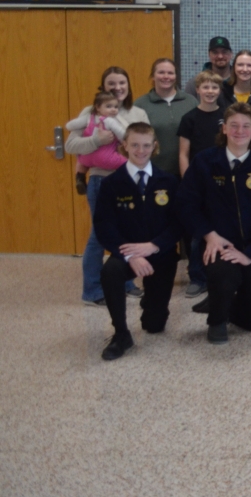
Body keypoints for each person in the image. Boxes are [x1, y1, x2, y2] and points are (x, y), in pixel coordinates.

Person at [177, 103, 251, 345]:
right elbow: (186, 204)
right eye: (233, 125)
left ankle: (223, 299)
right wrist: (209, 235)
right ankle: (217, 319)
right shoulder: (205, 161)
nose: (240, 131)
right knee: (223, 275)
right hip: (220, 244)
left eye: (246, 126)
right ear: (224, 128)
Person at [94, 123, 181, 361]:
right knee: (110, 271)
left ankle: (151, 302)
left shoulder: (168, 182)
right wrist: (132, 255)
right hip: (128, 251)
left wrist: (154, 246)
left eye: (146, 145)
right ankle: (121, 334)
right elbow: (104, 226)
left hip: (160, 252)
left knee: (154, 325)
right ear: (125, 146)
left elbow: (179, 224)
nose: (140, 150)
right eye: (134, 145)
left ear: (154, 147)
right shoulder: (112, 184)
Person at [66, 66, 150, 307]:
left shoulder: (138, 112)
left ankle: (126, 282)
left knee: (129, 233)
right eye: (111, 84)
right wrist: (96, 140)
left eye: (122, 83)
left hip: (131, 181)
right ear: (103, 88)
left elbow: (145, 145)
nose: (117, 88)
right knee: (98, 235)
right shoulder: (91, 112)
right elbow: (71, 145)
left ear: (128, 85)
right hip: (102, 180)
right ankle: (92, 290)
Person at [176, 70, 226, 299]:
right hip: (198, 182)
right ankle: (197, 276)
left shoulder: (227, 117)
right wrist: (190, 182)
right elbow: (183, 153)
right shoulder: (188, 118)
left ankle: (222, 272)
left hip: (223, 181)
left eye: (214, 87)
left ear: (220, 91)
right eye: (205, 87)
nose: (210, 91)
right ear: (197, 90)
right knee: (198, 232)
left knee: (222, 228)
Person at [134, 58, 197, 177]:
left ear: (176, 76)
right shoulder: (141, 104)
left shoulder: (190, 102)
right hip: (153, 173)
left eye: (170, 73)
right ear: (153, 76)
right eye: (161, 72)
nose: (166, 76)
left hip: (186, 172)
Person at [67, 91, 126, 194]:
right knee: (128, 162)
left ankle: (80, 177)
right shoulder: (110, 121)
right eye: (109, 106)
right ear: (98, 107)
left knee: (81, 160)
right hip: (105, 158)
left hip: (86, 157)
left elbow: (70, 125)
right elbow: (122, 135)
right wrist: (126, 144)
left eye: (116, 107)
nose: (113, 109)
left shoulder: (88, 118)